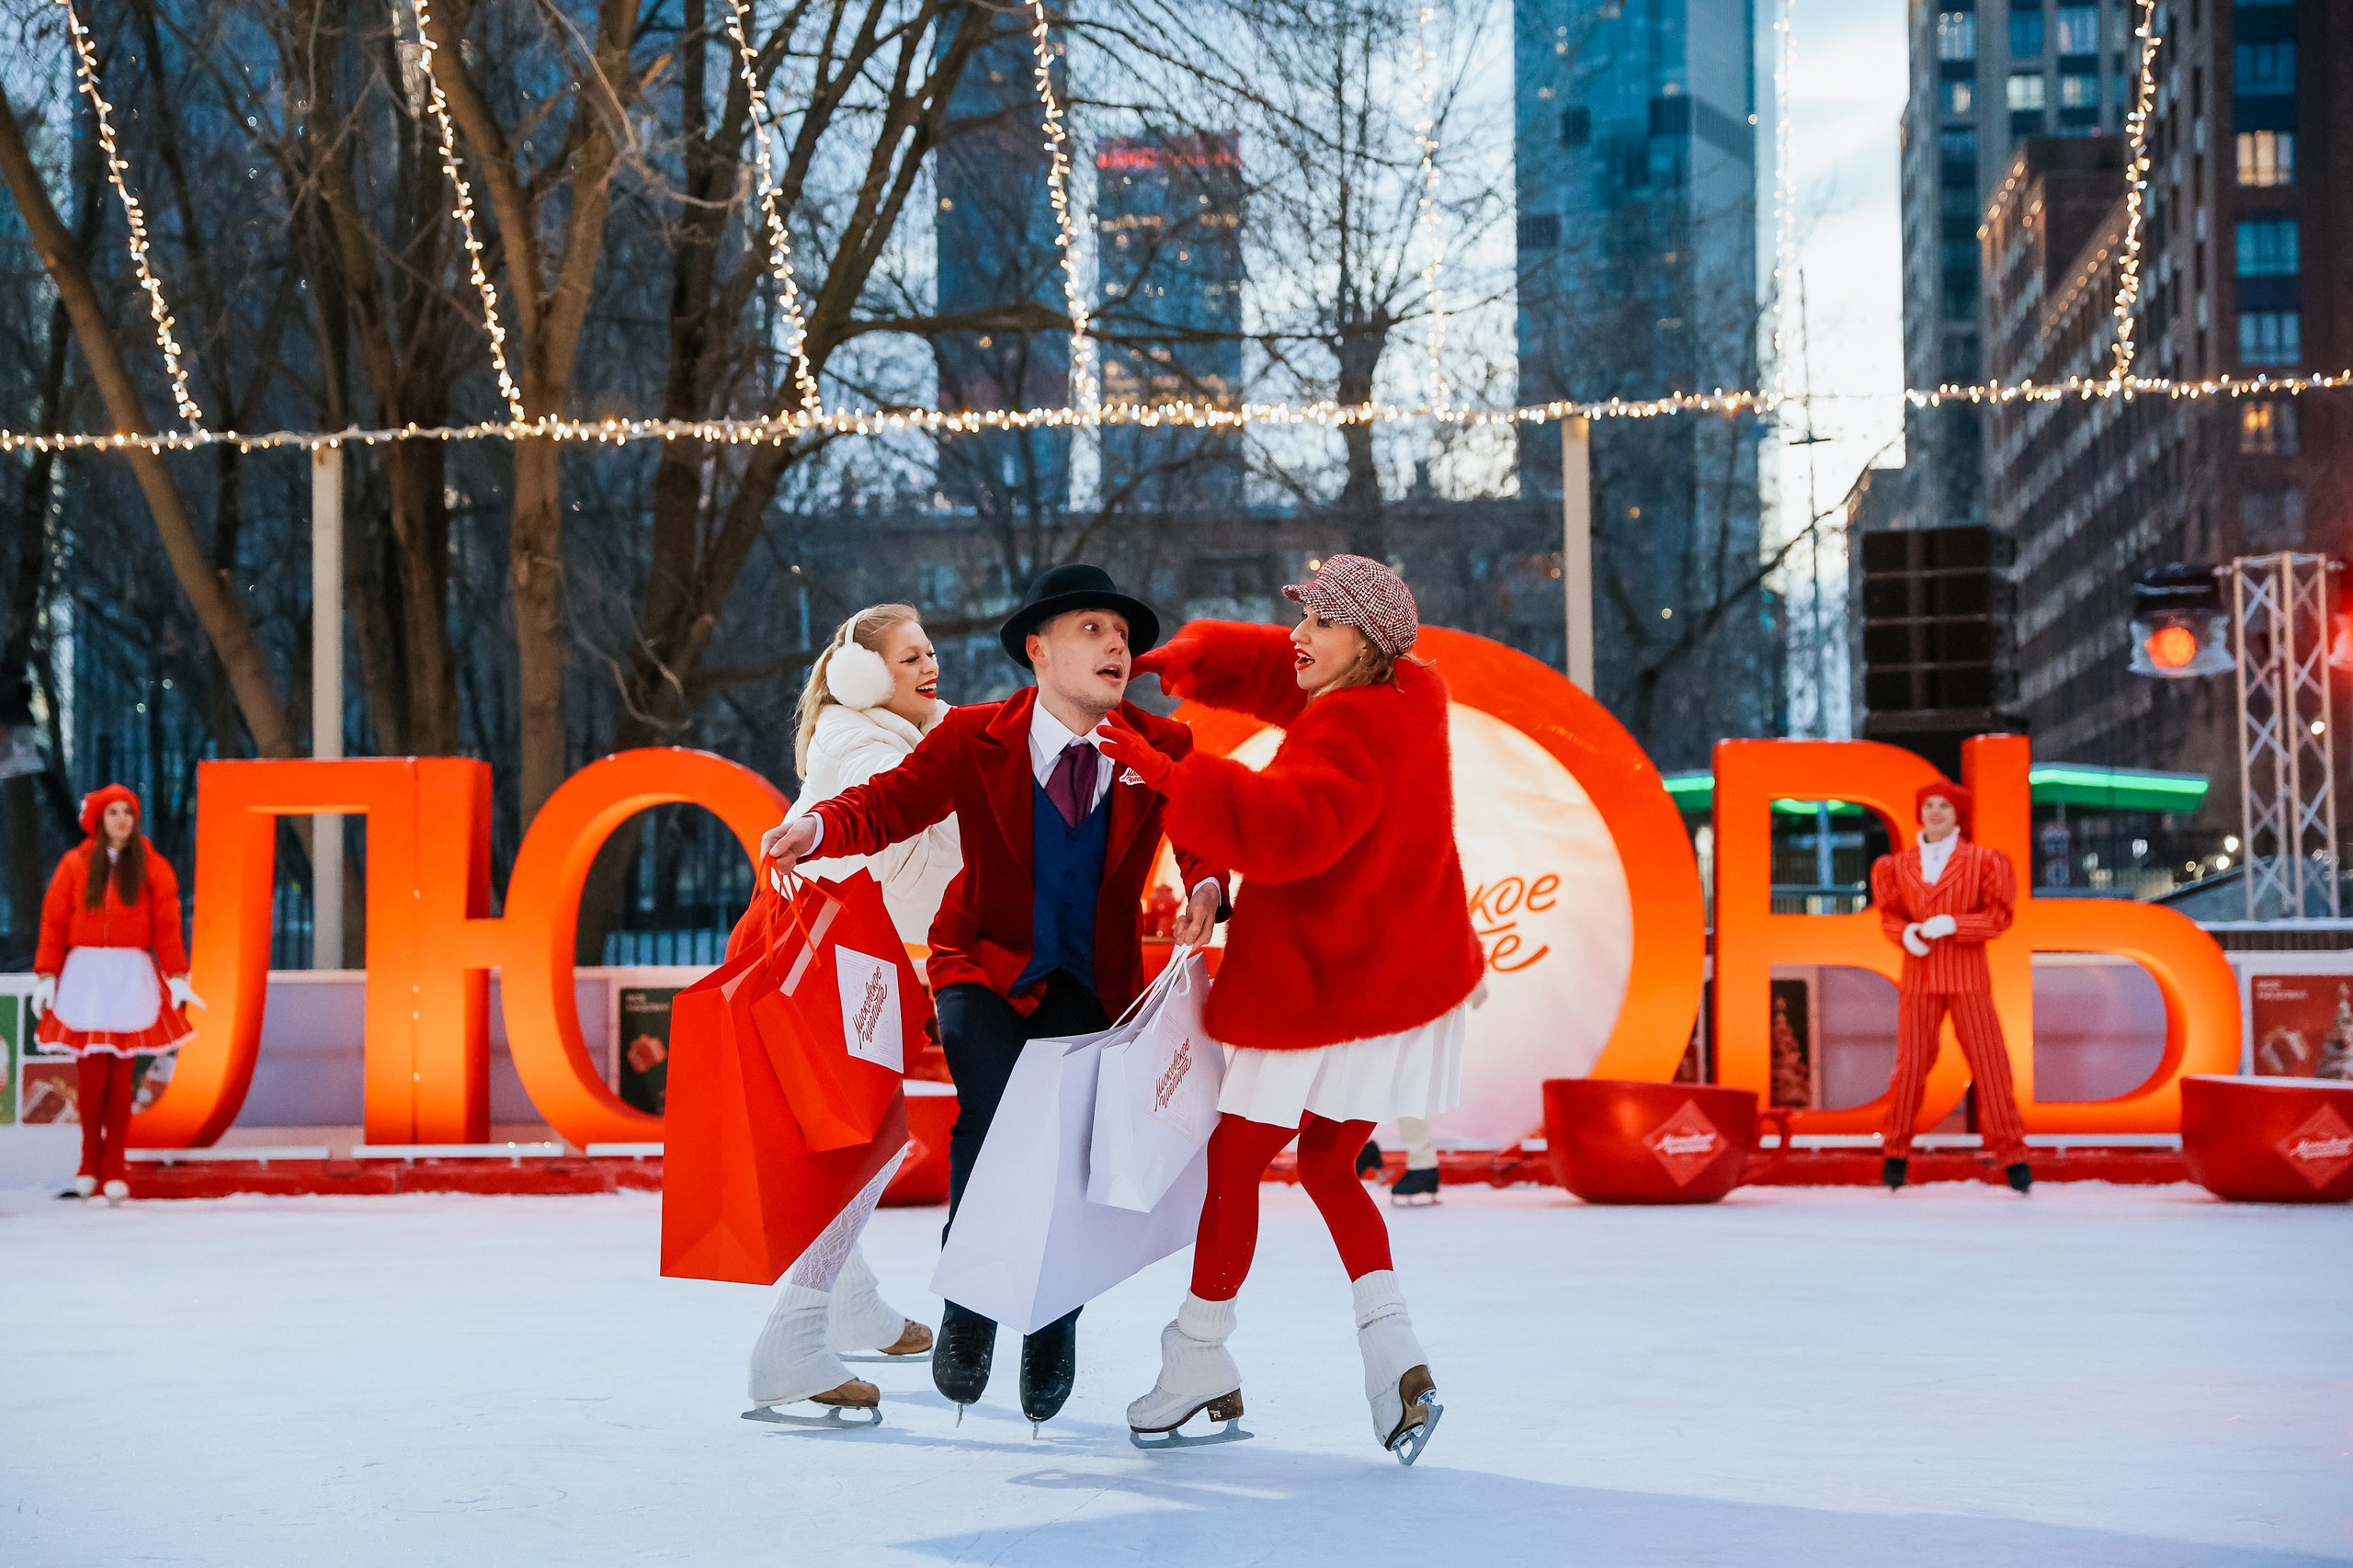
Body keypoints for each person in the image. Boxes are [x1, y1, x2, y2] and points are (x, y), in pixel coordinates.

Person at [761, 563, 1228, 1427]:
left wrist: (1206, 886)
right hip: (981, 964)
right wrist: (818, 825)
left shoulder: (1162, 748)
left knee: (1075, 1155)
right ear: (1037, 651)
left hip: (1094, 981)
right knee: (995, 1119)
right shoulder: (971, 737)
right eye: (1091, 630)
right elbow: (887, 803)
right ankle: (971, 1306)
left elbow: (1200, 829)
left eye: (1122, 635)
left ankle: (1052, 1320)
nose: (1115, 645)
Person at [1098, 554, 1483, 1461]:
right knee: (1326, 1160)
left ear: (1365, 643)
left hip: (1324, 987)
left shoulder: (1346, 730)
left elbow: (1284, 830)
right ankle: (1395, 1353)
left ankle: (1196, 1352)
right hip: (1395, 982)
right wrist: (1203, 658)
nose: (1298, 638)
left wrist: (1165, 772)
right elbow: (1288, 675)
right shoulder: (1411, 690)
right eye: (1301, 619)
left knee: (1234, 1160)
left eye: (1319, 622)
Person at [743, 605, 956, 1419]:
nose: (928, 667)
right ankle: (793, 1338)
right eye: (908, 658)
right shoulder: (869, 746)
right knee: (865, 1142)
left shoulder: (894, 734)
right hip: (858, 963)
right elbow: (900, 840)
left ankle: (851, 1303)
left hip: (868, 957)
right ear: (866, 676)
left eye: (930, 652)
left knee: (861, 1134)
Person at [32, 785, 201, 1205]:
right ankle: (89, 1162)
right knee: (91, 1080)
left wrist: (177, 972)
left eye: (129, 812)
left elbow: (166, 922)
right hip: (86, 976)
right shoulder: (74, 864)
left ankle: (115, 1166)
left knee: (121, 1079)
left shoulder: (153, 867)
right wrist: (46, 975)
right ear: (98, 819)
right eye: (113, 812)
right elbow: (54, 921)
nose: (122, 819)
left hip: (129, 974)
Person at [1870, 781, 2032, 1194]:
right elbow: (1890, 915)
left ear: (1959, 814)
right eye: (1929, 805)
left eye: (1944, 805)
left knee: (1990, 1063)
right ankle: (1895, 1152)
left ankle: (2013, 1156)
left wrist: (1956, 924)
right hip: (1919, 978)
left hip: (1967, 977)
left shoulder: (1984, 862)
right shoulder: (1898, 864)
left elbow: (1999, 916)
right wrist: (1904, 933)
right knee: (1910, 1067)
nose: (1936, 812)